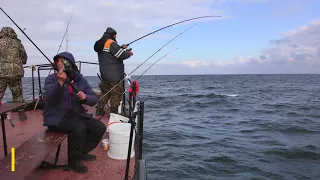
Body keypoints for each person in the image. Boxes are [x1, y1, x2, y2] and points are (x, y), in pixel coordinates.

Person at [43, 51, 106, 173]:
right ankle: (73, 161)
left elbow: (93, 99)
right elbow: (50, 100)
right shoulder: (51, 79)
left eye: (63, 62)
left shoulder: (80, 80)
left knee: (99, 127)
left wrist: (85, 97)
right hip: (56, 117)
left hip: (76, 114)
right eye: (58, 62)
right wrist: (60, 83)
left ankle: (81, 152)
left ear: (70, 64)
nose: (60, 64)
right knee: (79, 128)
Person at [94, 27, 133, 116]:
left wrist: (121, 47)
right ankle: (113, 113)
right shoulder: (111, 43)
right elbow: (121, 55)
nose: (116, 37)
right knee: (116, 94)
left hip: (104, 74)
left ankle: (99, 110)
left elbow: (111, 53)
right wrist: (128, 53)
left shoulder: (102, 42)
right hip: (114, 75)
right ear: (113, 35)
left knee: (105, 92)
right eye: (115, 35)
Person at [0, 26, 28, 120]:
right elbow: (24, 58)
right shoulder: (17, 43)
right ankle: (22, 114)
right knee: (18, 95)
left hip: (1, 74)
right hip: (15, 73)